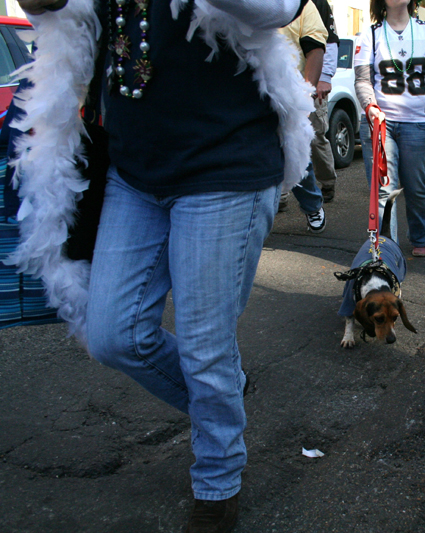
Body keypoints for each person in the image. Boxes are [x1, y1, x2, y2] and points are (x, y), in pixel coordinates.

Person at [13, 0, 312, 532]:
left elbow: (277, 8)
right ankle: (221, 391)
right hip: (134, 168)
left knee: (204, 345)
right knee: (112, 335)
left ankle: (218, 482)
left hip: (225, 163)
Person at [354, 0, 425, 257]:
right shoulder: (369, 34)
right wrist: (371, 107)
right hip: (380, 124)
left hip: (418, 123)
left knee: (417, 187)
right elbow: (363, 80)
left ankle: (420, 237)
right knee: (383, 190)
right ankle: (385, 248)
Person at [279, 0, 329, 233]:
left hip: (289, 93)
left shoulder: (302, 5)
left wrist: (304, 95)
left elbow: (315, 49)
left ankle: (312, 205)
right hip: (246, 95)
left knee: (295, 154)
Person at [310, 0, 340, 203]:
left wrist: (325, 77)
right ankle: (281, 194)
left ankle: (327, 182)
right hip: (282, 82)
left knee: (315, 136)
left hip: (312, 82)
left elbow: (330, 41)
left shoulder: (318, 2)